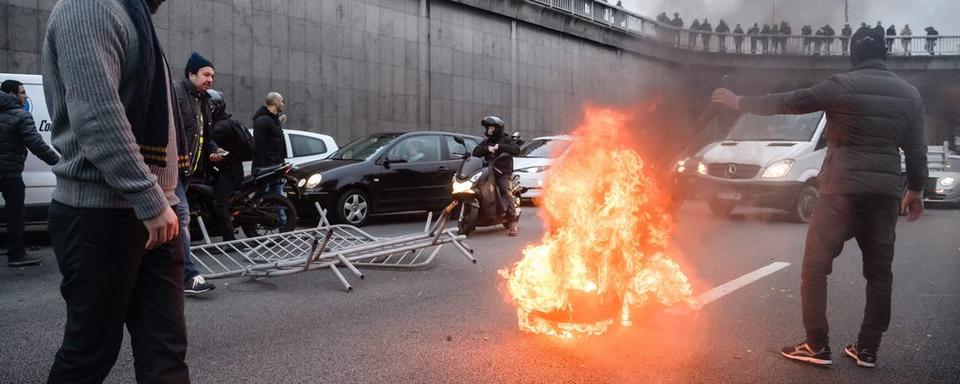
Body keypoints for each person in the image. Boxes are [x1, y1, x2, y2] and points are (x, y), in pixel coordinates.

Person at [712, 26, 927, 369]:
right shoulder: (909, 94)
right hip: (883, 196)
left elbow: (789, 102)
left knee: (815, 269)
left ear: (854, 54)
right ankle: (868, 350)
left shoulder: (840, 85)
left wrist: (742, 103)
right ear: (884, 53)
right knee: (879, 274)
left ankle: (816, 345)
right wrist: (915, 190)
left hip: (840, 191)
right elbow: (916, 149)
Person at [41, 0, 191, 382]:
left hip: (156, 212)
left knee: (166, 353)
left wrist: (169, 200)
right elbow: (98, 116)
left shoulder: (133, 14)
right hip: (100, 214)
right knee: (89, 354)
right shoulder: (90, 6)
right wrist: (150, 197)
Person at [1, 80, 60, 267]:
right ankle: (16, 254)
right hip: (10, 173)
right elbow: (37, 145)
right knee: (15, 214)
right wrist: (59, 163)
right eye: (22, 92)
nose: (25, 96)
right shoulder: (21, 116)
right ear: (11, 94)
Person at [174, 51, 218, 295]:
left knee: (173, 221)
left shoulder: (202, 99)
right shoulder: (175, 94)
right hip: (171, 169)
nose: (210, 79)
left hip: (187, 172)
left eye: (212, 75)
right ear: (191, 74)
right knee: (182, 218)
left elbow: (201, 135)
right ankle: (188, 276)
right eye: (206, 74)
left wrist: (212, 149)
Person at [471, 116, 520, 237]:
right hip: (489, 171)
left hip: (503, 172)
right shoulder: (487, 142)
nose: (489, 130)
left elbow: (516, 150)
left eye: (491, 127)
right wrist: (487, 149)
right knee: (477, 188)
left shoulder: (506, 139)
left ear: (498, 128)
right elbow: (475, 152)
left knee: (505, 191)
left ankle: (512, 221)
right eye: (488, 127)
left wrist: (500, 147)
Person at [208, 90, 246, 242]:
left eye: (209, 106)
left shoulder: (220, 127)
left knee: (219, 204)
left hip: (230, 171)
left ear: (217, 106)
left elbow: (209, 145)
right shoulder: (224, 122)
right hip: (229, 169)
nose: (207, 108)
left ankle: (229, 240)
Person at [253, 92, 287, 224]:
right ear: (276, 102)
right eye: (282, 101)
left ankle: (282, 222)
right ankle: (259, 222)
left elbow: (278, 145)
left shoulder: (273, 120)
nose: (283, 104)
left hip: (275, 166)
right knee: (265, 196)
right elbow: (259, 146)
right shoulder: (263, 121)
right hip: (267, 168)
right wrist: (261, 168)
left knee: (278, 196)